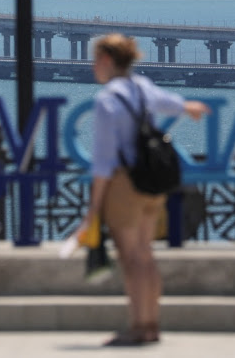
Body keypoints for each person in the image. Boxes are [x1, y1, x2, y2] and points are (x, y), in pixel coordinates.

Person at [76, 34, 210, 346]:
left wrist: (94, 207)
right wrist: (189, 106)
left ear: (108, 61)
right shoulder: (141, 86)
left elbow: (104, 161)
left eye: (95, 60)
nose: (93, 66)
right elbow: (170, 103)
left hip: (124, 185)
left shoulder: (107, 100)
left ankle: (137, 326)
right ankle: (152, 324)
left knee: (131, 257)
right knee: (146, 256)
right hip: (152, 185)